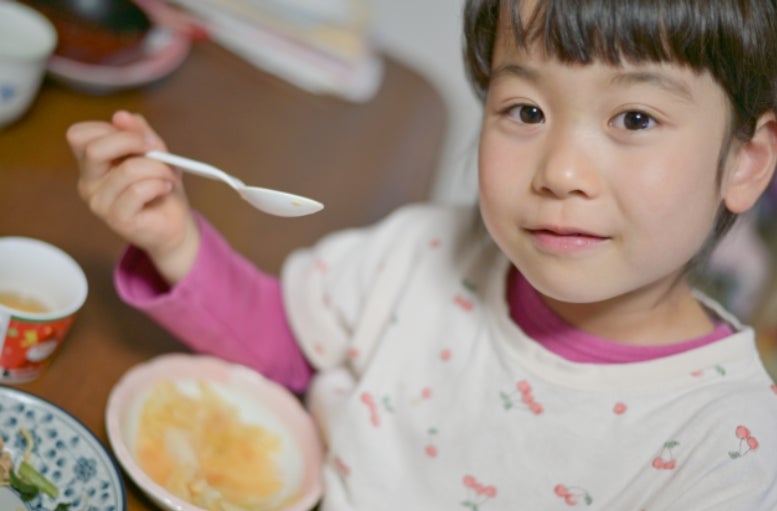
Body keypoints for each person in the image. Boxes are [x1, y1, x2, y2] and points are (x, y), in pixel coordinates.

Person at [67, 0, 777, 508]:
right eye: (525, 110)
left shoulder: (727, 449)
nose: (560, 170)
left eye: (634, 118)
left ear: (744, 162)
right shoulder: (425, 250)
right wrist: (173, 238)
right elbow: (287, 345)